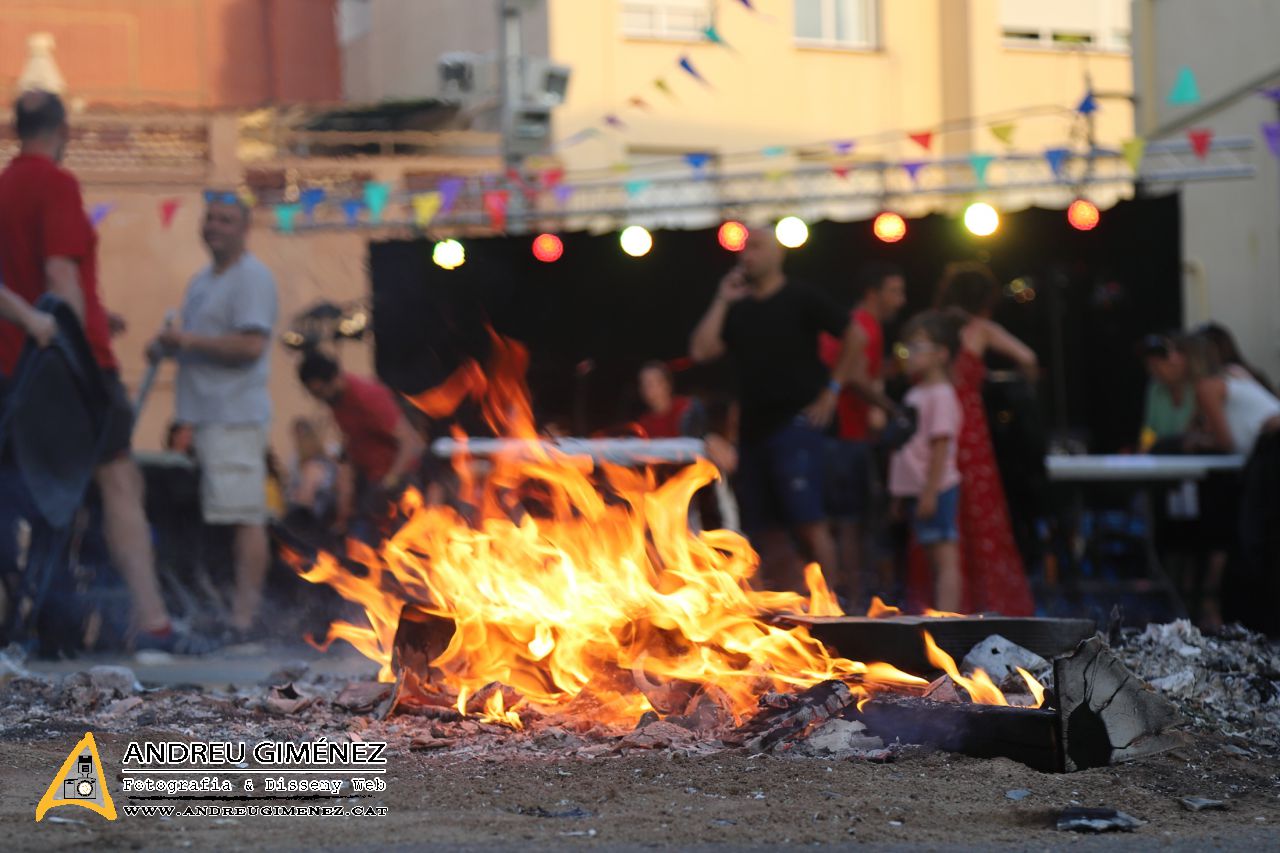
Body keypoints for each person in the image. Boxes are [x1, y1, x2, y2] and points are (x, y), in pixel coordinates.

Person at [0, 90, 210, 653]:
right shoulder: (56, 184)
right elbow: (59, 275)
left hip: (9, 370)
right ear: (62, 129)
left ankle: (36, 619)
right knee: (119, 482)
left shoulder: (3, 186)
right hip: (67, 370)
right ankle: (153, 623)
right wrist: (79, 343)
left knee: (24, 495)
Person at [688, 225, 898, 592]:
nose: (746, 255)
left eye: (756, 247)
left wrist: (831, 390)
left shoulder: (800, 297)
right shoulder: (737, 309)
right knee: (763, 528)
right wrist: (722, 299)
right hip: (754, 431)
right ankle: (781, 607)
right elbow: (701, 351)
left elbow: (856, 336)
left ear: (777, 252)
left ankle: (831, 609)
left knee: (810, 522)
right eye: (744, 248)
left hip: (796, 425)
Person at [150, 190, 278, 637]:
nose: (214, 226)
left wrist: (186, 342)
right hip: (202, 418)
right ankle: (217, 611)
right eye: (210, 219)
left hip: (235, 416)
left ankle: (245, 618)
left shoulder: (252, 279)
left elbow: (250, 345)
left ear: (244, 228)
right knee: (213, 521)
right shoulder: (202, 281)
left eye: (225, 220)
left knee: (245, 514)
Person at [929, 262, 1036, 615]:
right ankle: (988, 603)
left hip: (933, 422)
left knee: (940, 504)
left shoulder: (930, 327)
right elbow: (1028, 358)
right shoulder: (981, 329)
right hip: (970, 428)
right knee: (980, 510)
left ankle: (941, 604)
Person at [1175, 331, 1280, 630]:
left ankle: (1215, 607)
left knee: (1239, 531)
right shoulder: (1236, 374)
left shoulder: (1208, 387)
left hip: (1271, 454)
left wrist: (1198, 441)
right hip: (1269, 447)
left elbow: (1226, 440)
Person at [817, 262, 907, 603]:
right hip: (843, 438)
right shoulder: (861, 326)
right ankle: (853, 599)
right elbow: (853, 377)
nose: (901, 300)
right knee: (850, 523)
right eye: (895, 291)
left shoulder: (864, 326)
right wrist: (891, 408)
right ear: (874, 293)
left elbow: (857, 373)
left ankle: (851, 596)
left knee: (848, 522)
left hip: (848, 436)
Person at [297, 350, 426, 532]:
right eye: (314, 394)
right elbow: (353, 449)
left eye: (319, 391)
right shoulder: (337, 403)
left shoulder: (368, 396)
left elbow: (410, 442)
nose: (319, 399)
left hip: (401, 482)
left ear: (334, 378)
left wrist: (391, 481)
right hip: (372, 481)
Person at [889, 312, 964, 613]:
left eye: (918, 346)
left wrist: (931, 491)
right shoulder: (916, 392)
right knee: (930, 555)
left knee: (944, 555)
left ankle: (948, 618)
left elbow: (941, 446)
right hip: (915, 488)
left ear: (941, 354)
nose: (910, 354)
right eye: (907, 347)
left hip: (936, 487)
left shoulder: (942, 394)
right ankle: (935, 613)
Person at [1139, 334, 1195, 450]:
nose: (1155, 368)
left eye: (1162, 360)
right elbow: (1150, 429)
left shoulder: (1199, 387)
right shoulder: (1154, 388)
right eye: (1150, 363)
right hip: (1163, 458)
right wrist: (1143, 452)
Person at [284, 416, 338, 531]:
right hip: (322, 521)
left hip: (311, 523)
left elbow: (305, 498)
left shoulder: (313, 466)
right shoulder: (326, 461)